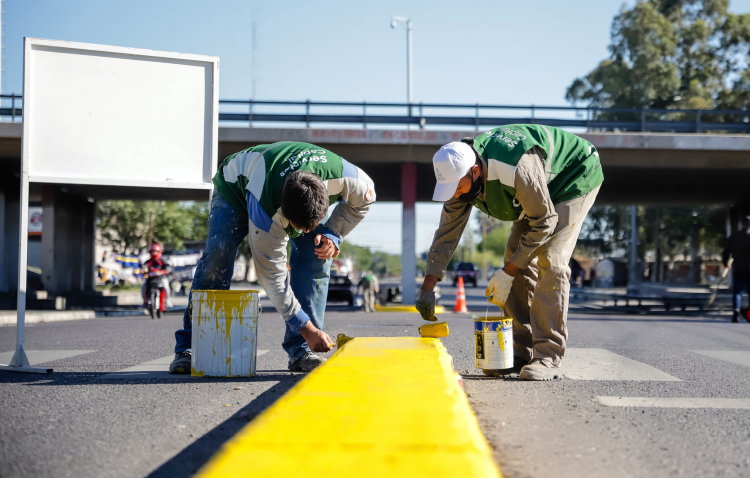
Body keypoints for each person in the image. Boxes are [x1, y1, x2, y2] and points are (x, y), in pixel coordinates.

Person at [416, 125, 603, 381]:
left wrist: (508, 273)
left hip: (572, 177)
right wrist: (428, 286)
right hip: (537, 191)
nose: (456, 194)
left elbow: (545, 221)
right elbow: (446, 234)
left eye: (459, 188)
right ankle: (519, 352)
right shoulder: (458, 179)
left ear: (475, 171)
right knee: (515, 256)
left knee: (552, 260)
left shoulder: (514, 166)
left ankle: (547, 354)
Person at [169, 142, 376, 374]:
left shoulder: (350, 180)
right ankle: (189, 347)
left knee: (317, 255)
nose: (305, 233)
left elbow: (367, 198)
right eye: (297, 227)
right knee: (218, 255)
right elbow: (273, 279)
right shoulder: (266, 211)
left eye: (312, 226)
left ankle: (301, 351)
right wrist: (305, 327)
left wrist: (332, 232)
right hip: (234, 189)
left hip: (282, 180)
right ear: (283, 214)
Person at [722, 215, 750, 323]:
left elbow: (726, 251)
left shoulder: (734, 236)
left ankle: (736, 311)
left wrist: (725, 263)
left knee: (737, 292)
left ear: (742, 224)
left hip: (738, 268)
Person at [141, 243, 171, 308]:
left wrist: (166, 270)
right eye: (152, 251)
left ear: (159, 252)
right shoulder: (148, 262)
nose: (154, 253)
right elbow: (144, 268)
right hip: (150, 279)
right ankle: (145, 301)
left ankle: (167, 300)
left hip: (161, 278)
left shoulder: (162, 261)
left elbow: (168, 267)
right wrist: (143, 271)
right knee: (143, 287)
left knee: (166, 285)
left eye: (155, 251)